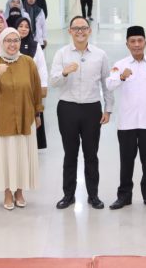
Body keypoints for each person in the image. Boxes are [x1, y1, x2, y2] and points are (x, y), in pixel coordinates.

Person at [49, 16, 113, 210]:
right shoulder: (61, 54)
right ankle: (68, 195)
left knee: (91, 154)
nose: (80, 31)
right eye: (76, 28)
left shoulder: (100, 54)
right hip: (67, 108)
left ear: (89, 30)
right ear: (70, 31)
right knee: (70, 154)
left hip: (91, 109)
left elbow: (106, 83)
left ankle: (93, 195)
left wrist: (108, 108)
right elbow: (53, 82)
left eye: (83, 28)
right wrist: (65, 72)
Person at [105, 26, 146, 211]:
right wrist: (122, 78)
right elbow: (109, 85)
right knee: (126, 162)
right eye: (132, 41)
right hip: (127, 124)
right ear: (127, 44)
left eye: (140, 41)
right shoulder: (120, 64)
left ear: (145, 42)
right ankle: (124, 196)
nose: (137, 45)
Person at [0, 27, 43, 209]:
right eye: (8, 40)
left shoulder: (28, 62)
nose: (12, 44)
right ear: (1, 42)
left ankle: (20, 192)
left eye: (15, 40)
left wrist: (38, 113)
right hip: (2, 119)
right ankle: (7, 193)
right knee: (5, 156)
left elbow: (36, 90)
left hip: (26, 117)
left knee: (22, 155)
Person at [16, 17, 48, 149]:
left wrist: (43, 85)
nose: (23, 29)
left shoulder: (35, 45)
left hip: (31, 87)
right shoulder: (10, 44)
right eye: (20, 26)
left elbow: (42, 67)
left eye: (26, 26)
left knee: (33, 114)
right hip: (14, 88)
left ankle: (31, 144)